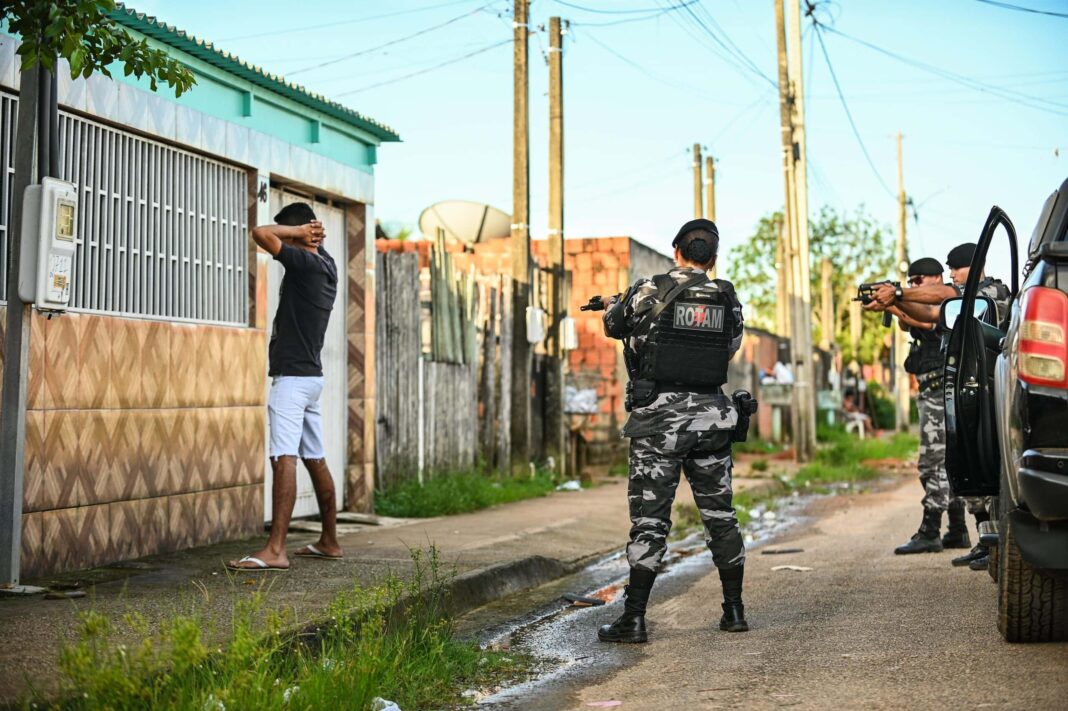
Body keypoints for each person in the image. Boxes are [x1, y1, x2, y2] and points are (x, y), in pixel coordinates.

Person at [597, 218, 748, 644]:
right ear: (713, 258)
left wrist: (616, 302)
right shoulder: (727, 297)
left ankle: (634, 619)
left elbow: (614, 325)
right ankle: (734, 612)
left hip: (658, 424)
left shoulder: (649, 289)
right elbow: (731, 344)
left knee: (650, 522)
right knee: (721, 516)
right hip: (712, 424)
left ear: (675, 251)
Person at [869, 242, 1012, 570]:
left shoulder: (991, 291)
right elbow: (933, 314)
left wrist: (898, 295)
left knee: (979, 462)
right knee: (964, 463)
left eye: (954, 268)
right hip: (965, 391)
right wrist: (892, 303)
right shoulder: (962, 295)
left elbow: (942, 301)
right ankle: (983, 540)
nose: (952, 275)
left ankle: (986, 540)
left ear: (972, 265)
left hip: (987, 393)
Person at [228, 202, 342, 571]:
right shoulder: (327, 264)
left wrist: (294, 235)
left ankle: (275, 550)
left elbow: (260, 234)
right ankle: (329, 541)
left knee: (284, 458)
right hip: (312, 378)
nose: (287, 243)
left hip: (292, 380)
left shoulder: (306, 263)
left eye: (291, 235)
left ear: (300, 233)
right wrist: (303, 235)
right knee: (316, 457)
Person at [872, 259, 970, 555]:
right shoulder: (926, 300)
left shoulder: (945, 301)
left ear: (936, 278)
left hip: (939, 389)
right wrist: (891, 304)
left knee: (933, 461)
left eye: (919, 280)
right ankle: (957, 528)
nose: (914, 285)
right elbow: (908, 321)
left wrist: (895, 298)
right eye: (910, 280)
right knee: (948, 460)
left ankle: (930, 530)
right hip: (933, 387)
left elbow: (926, 320)